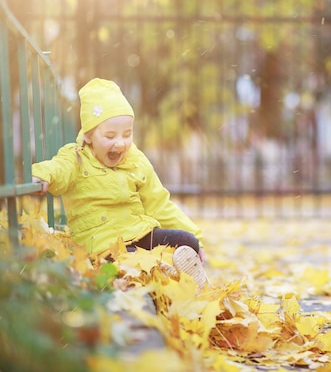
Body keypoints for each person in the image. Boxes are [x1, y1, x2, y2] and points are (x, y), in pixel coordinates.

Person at [32, 78, 208, 289]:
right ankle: (163, 270)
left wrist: (197, 239)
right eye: (110, 135)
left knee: (187, 240)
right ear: (89, 135)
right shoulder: (76, 158)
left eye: (127, 134)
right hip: (102, 247)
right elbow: (58, 169)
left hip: (140, 233)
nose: (120, 143)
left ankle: (173, 268)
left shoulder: (135, 160)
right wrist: (42, 175)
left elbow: (160, 203)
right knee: (127, 261)